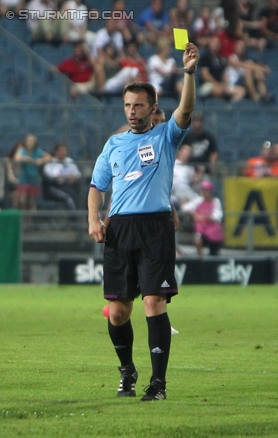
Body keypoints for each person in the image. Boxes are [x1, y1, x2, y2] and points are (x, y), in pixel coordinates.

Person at [87, 41, 199, 401]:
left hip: (155, 228)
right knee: (118, 311)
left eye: (138, 106)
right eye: (127, 105)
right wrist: (93, 218)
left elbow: (186, 108)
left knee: (154, 302)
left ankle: (159, 384)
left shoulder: (165, 135)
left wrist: (189, 73)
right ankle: (127, 371)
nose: (132, 111)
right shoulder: (114, 144)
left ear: (153, 109)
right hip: (119, 230)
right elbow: (96, 186)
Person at [198, 35, 247, 102]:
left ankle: (229, 109)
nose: (216, 45)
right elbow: (205, 75)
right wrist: (217, 84)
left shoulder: (221, 59)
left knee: (241, 91)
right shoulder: (205, 58)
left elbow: (224, 73)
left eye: (217, 43)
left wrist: (225, 84)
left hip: (221, 85)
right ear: (210, 44)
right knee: (217, 90)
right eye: (214, 43)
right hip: (208, 85)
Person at [182, 179, 224, 257]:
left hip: (213, 231)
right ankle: (200, 258)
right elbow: (185, 207)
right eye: (203, 190)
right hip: (202, 229)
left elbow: (217, 216)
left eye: (206, 190)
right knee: (198, 240)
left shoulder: (216, 201)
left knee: (214, 253)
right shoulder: (199, 200)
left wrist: (202, 217)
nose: (204, 192)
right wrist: (194, 214)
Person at [13, 134, 52, 211]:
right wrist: (26, 159)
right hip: (24, 179)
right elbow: (16, 158)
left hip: (34, 179)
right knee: (22, 200)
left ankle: (31, 221)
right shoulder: (22, 150)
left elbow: (49, 157)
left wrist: (41, 160)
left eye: (32, 141)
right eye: (29, 141)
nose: (31, 143)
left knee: (32, 201)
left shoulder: (38, 151)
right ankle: (23, 219)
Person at [42, 141, 82, 210]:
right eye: (61, 150)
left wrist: (73, 178)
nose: (64, 152)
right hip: (55, 187)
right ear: (56, 152)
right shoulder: (51, 162)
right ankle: (74, 218)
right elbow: (51, 176)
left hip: (70, 186)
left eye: (65, 150)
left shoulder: (69, 161)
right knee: (69, 197)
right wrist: (65, 176)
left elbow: (78, 174)